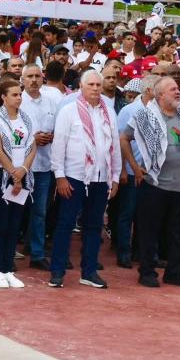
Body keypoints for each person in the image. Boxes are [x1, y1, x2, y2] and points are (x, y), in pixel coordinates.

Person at [124, 76, 180, 288]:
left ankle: (175, 273)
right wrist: (135, 167)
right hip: (155, 183)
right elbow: (123, 138)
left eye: (178, 89)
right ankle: (147, 272)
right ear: (160, 95)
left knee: (178, 233)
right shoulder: (145, 116)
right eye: (173, 89)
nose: (178, 92)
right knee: (149, 230)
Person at [49, 70, 121, 289]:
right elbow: (58, 145)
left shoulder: (109, 112)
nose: (96, 88)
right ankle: (57, 272)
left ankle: (89, 272)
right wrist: (59, 176)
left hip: (101, 178)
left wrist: (115, 176)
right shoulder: (69, 111)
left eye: (98, 85)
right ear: (81, 86)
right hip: (74, 177)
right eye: (91, 84)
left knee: (94, 226)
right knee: (65, 225)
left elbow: (115, 146)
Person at [0, 80, 36, 289]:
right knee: (1, 223)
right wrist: (12, 173)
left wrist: (22, 171)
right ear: (3, 97)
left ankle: (8, 268)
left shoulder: (26, 119)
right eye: (14, 95)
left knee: (15, 223)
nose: (18, 98)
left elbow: (32, 147)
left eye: (20, 94)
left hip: (22, 175)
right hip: (3, 176)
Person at [19, 64, 58, 269]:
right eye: (29, 76)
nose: (34, 80)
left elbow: (59, 127)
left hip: (44, 165)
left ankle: (37, 253)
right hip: (20, 165)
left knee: (40, 211)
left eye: (37, 76)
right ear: (23, 79)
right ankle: (9, 253)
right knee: (15, 210)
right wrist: (33, 139)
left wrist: (51, 137)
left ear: (43, 78)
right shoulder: (17, 100)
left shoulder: (52, 102)